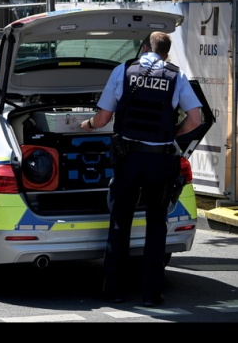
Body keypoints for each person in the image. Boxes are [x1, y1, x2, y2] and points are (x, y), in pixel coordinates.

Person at [80, 31, 202, 307]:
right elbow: (196, 119)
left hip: (129, 158)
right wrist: (172, 134)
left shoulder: (123, 70)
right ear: (165, 53)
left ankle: (114, 290)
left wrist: (86, 125)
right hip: (161, 160)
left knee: (120, 222)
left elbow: (102, 118)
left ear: (144, 47)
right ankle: (151, 294)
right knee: (156, 225)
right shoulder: (176, 75)